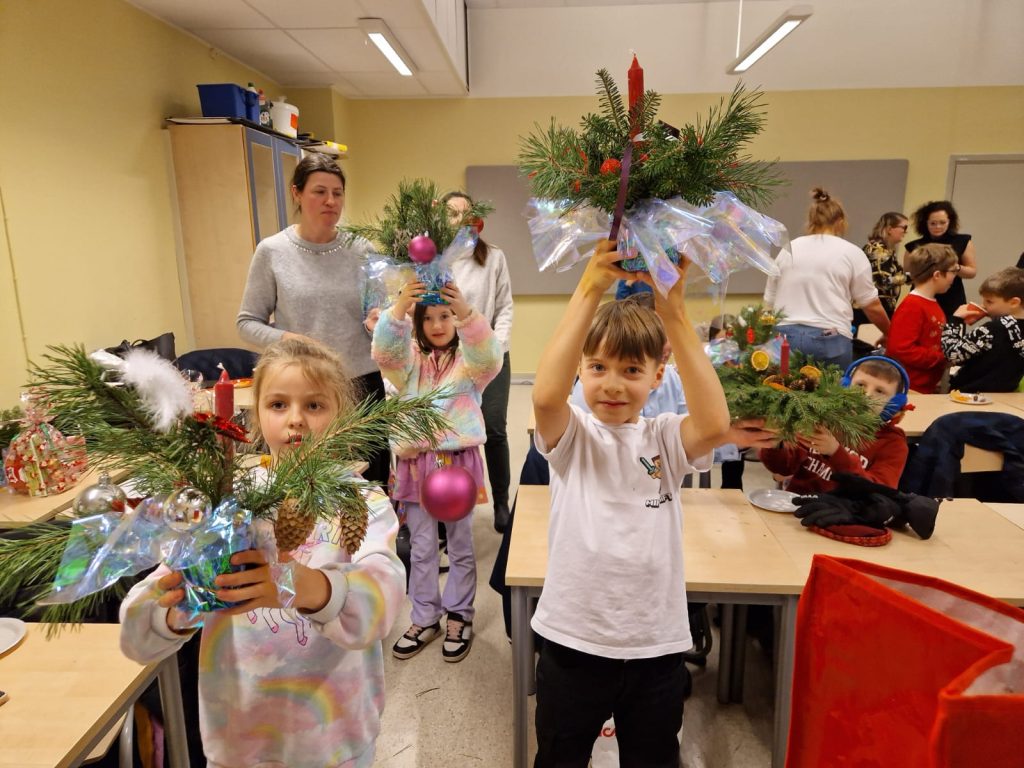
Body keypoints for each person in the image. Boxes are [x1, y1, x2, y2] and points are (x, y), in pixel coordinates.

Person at [119, 338, 406, 768]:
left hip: (332, 737)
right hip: (239, 740)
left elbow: (382, 601)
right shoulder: (227, 504)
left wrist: (293, 584)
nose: (295, 419)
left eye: (314, 405)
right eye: (278, 404)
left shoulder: (361, 504)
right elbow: (137, 633)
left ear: (342, 417)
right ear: (256, 415)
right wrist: (178, 606)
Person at [530, 241, 730, 767]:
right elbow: (546, 397)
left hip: (655, 645)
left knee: (654, 758)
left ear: (657, 376)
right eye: (597, 367)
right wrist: (590, 286)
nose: (612, 385)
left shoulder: (663, 436)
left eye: (632, 370)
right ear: (580, 370)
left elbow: (714, 425)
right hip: (574, 641)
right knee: (560, 756)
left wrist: (674, 312)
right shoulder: (574, 436)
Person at [237, 153, 390, 485]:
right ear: (297, 193)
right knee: (304, 487)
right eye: (320, 192)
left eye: (337, 193)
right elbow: (247, 322)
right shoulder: (272, 251)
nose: (330, 201)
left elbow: (378, 315)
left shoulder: (361, 249)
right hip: (302, 395)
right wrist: (288, 340)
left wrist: (381, 322)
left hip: (361, 386)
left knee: (369, 487)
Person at [372, 279, 501, 663]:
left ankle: (459, 614)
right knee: (423, 547)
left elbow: (490, 357)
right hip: (416, 465)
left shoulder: (470, 364)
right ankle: (425, 617)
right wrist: (399, 310)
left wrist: (466, 312)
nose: (437, 325)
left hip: (458, 465)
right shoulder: (409, 362)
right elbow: (385, 354)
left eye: (445, 316)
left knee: (460, 545)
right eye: (428, 318)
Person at [443, 191, 515, 534]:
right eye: (452, 214)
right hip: (450, 361)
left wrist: (495, 348)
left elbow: (505, 307)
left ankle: (501, 502)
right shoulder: (436, 261)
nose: (460, 220)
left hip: (490, 355)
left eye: (466, 213)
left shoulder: (493, 257)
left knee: (494, 429)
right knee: (453, 434)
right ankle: (452, 505)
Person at [765, 188, 891, 369]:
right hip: (830, 338)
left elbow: (769, 301)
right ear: (840, 222)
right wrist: (889, 332)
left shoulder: (788, 249)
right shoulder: (851, 252)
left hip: (784, 337)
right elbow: (871, 304)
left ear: (811, 221)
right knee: (830, 387)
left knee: (781, 386)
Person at [759, 356, 911, 493]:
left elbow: (880, 494)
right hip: (796, 506)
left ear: (894, 403)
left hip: (846, 512)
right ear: (845, 386)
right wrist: (776, 442)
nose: (867, 396)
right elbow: (783, 467)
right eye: (860, 385)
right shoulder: (824, 419)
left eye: (880, 391)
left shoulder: (893, 444)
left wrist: (836, 453)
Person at [887, 243, 959, 393]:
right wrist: (942, 358)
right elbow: (901, 349)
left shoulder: (931, 303)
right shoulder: (913, 305)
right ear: (937, 275)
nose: (955, 276)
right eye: (953, 271)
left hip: (925, 386)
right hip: (911, 388)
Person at [941, 266, 1024, 392]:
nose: (984, 305)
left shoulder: (992, 329)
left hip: (971, 393)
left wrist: (955, 321)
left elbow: (953, 355)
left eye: (989, 302)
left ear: (1014, 303)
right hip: (1005, 394)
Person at [904, 200, 977, 322]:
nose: (938, 227)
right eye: (933, 223)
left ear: (950, 222)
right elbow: (907, 277)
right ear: (925, 223)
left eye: (942, 223)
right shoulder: (913, 246)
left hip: (952, 298)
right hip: (923, 298)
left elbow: (972, 272)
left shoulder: (962, 241)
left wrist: (955, 267)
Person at [855, 212, 910, 328]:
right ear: (890, 229)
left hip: (876, 309)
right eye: (904, 227)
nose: (906, 232)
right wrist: (911, 277)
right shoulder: (878, 249)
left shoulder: (887, 250)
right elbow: (883, 282)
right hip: (872, 312)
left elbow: (900, 274)